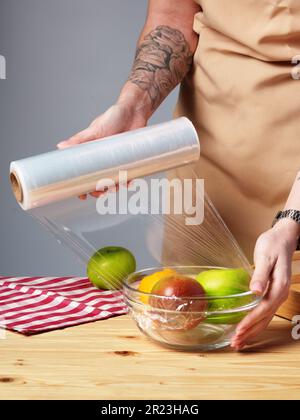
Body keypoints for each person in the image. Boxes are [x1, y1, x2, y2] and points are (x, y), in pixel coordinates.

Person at [57, 0, 300, 350]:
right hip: (208, 170)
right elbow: (173, 15)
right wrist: (133, 106)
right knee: (189, 342)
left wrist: (291, 221)